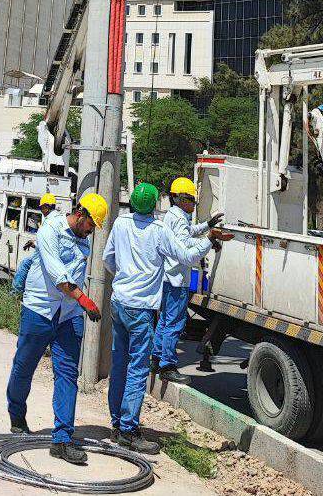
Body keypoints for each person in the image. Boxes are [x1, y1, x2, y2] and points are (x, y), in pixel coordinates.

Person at [104, 182, 229, 454]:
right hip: (140, 308)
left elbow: (108, 260)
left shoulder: (120, 223)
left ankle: (117, 424)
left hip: (119, 302)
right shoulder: (158, 230)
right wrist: (210, 239)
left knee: (120, 364)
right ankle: (128, 430)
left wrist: (124, 281)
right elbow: (186, 254)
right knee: (137, 370)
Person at [6, 192, 108, 466]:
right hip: (39, 309)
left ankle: (62, 439)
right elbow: (57, 274)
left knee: (66, 375)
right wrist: (85, 300)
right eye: (90, 225)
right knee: (24, 366)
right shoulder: (50, 229)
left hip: (69, 316)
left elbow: (73, 277)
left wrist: (78, 303)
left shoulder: (82, 239)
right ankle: (17, 414)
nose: (91, 232)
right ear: (81, 214)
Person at [153, 176, 223, 383]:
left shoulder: (173, 216)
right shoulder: (179, 217)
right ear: (182, 199)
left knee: (164, 322)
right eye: (192, 200)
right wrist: (209, 240)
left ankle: (156, 360)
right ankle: (168, 366)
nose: (194, 203)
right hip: (176, 280)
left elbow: (187, 233)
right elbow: (185, 245)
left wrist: (206, 226)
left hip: (167, 277)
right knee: (174, 323)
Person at [15, 193, 61, 289]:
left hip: (46, 257)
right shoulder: (58, 218)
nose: (41, 211)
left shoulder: (49, 222)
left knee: (25, 264)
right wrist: (34, 244)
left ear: (46, 207)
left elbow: (49, 245)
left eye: (41, 208)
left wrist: (36, 244)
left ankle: (16, 293)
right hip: (49, 255)